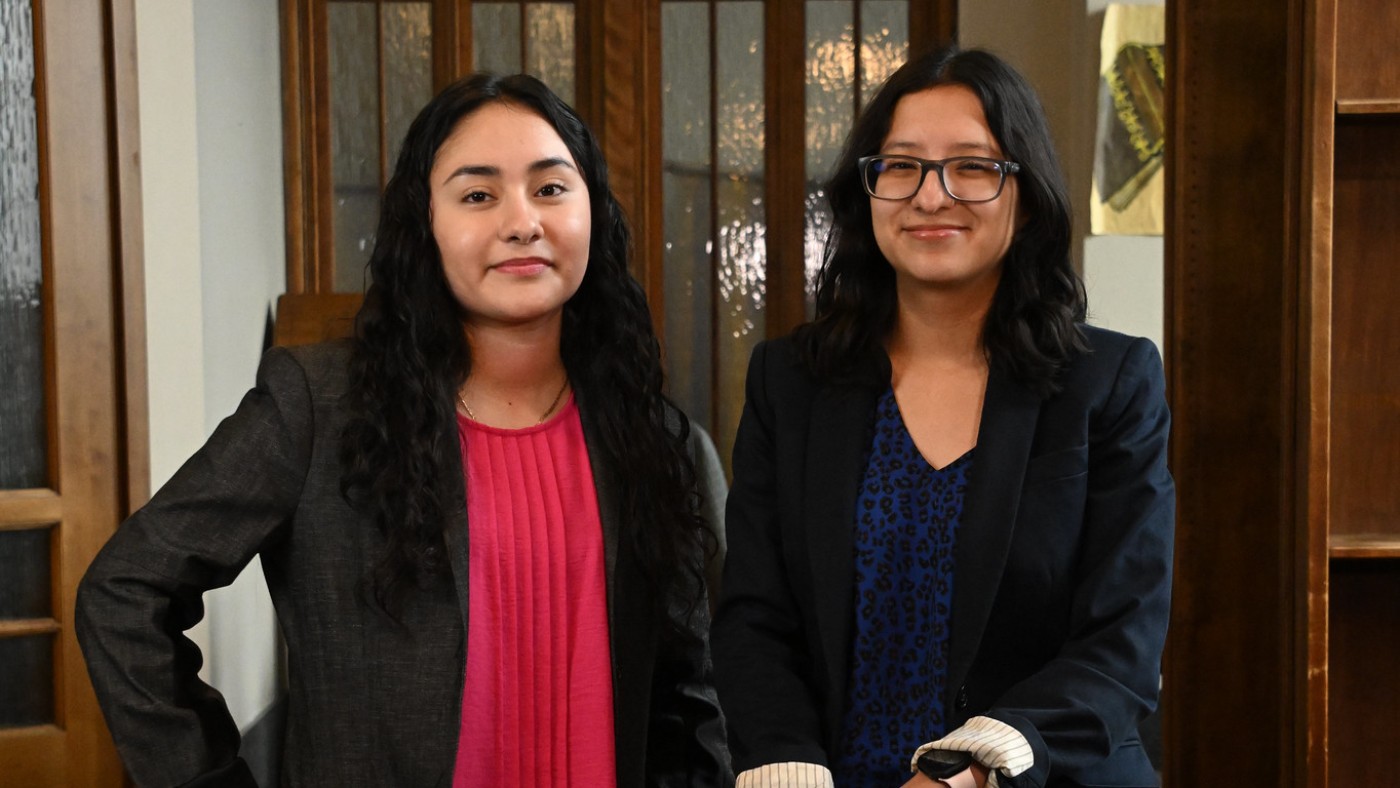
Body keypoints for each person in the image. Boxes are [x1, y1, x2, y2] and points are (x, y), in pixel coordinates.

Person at [77, 73, 731, 788]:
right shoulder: (320, 406)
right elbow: (125, 592)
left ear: (592, 213)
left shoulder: (661, 442)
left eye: (550, 188)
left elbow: (696, 696)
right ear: (425, 226)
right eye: (478, 194)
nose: (523, 221)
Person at [712, 45, 1174, 788]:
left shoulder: (1109, 383)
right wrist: (786, 763)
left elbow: (1122, 641)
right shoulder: (790, 382)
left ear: (1024, 193)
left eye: (972, 166)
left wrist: (976, 766)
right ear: (867, 190)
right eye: (900, 166)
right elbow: (755, 620)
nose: (931, 196)